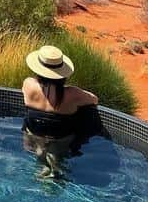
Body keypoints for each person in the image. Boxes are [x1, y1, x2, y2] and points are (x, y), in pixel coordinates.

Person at [21, 45, 101, 177]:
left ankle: (44, 168)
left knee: (40, 158)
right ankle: (53, 170)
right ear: (62, 74)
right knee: (57, 166)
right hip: (60, 139)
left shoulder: (28, 84)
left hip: (34, 135)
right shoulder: (73, 94)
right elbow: (94, 100)